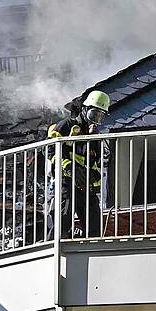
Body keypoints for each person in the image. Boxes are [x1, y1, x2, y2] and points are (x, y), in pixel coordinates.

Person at [46, 90, 110, 239]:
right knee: (62, 220)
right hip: (66, 181)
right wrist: (67, 164)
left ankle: (92, 252)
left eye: (100, 117)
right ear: (85, 110)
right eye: (94, 114)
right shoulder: (67, 125)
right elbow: (50, 148)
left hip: (84, 184)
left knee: (94, 224)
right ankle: (56, 249)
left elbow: (96, 163)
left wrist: (94, 178)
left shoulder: (94, 137)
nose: (96, 120)